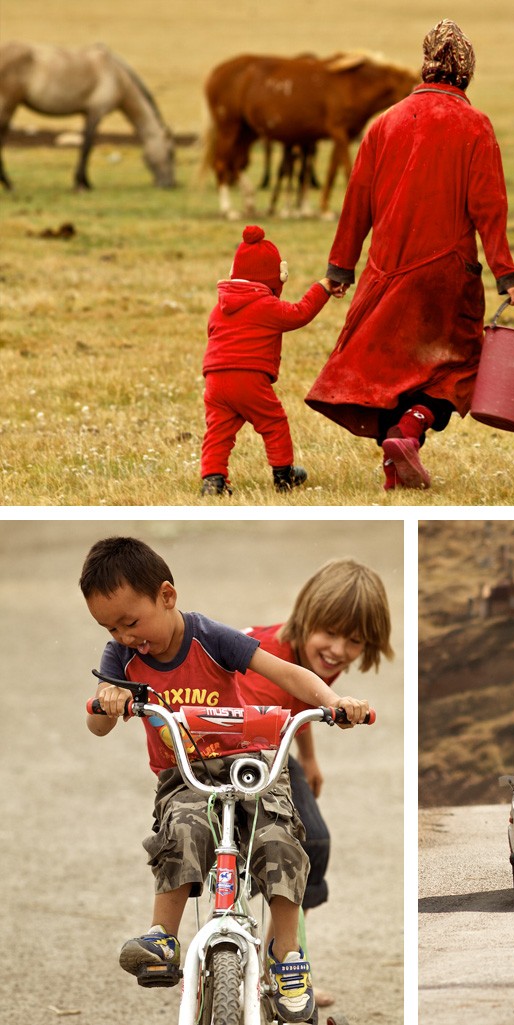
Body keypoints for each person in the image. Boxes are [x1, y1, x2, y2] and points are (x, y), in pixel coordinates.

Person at [81, 536, 370, 1024]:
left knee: (280, 836)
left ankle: (288, 958)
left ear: (167, 596)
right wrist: (108, 702)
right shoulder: (121, 660)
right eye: (111, 627)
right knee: (180, 830)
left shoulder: (210, 637)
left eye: (131, 621)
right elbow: (96, 722)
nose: (125, 635)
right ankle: (162, 938)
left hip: (248, 761)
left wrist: (334, 702)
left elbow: (285, 673)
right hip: (186, 774)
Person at [305, 19, 514, 492]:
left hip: (383, 271)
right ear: (466, 72)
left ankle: (396, 463)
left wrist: (340, 266)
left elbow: (357, 200)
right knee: (461, 364)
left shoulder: (384, 122)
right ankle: (409, 432)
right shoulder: (474, 125)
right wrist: (507, 275)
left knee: (388, 368)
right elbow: (488, 207)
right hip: (446, 273)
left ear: (425, 63)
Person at [234, 558, 394, 1007]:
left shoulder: (319, 658)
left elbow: (297, 707)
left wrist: (310, 759)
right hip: (231, 751)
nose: (339, 650)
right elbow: (268, 708)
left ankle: (279, 959)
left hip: (275, 746)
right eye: (330, 632)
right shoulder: (268, 662)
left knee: (314, 842)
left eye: (355, 640)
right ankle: (261, 955)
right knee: (281, 838)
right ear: (305, 619)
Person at [201, 225, 335, 496]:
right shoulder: (266, 306)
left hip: (215, 379)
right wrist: (323, 288)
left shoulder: (219, 308)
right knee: (273, 423)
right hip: (249, 377)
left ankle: (213, 481)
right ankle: (283, 475)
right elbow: (300, 313)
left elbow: (212, 335)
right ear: (274, 278)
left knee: (218, 431)